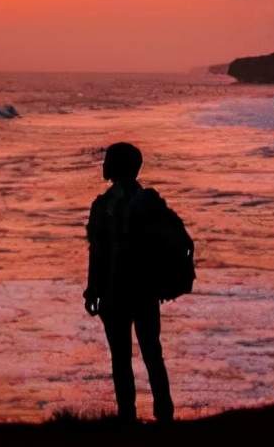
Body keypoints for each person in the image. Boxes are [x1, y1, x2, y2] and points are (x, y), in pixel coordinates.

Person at [83, 142, 175, 424]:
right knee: (151, 353)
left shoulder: (103, 205)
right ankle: (163, 415)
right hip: (144, 290)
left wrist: (92, 289)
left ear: (118, 167)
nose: (104, 164)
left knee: (122, 357)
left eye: (108, 160)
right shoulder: (148, 201)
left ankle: (128, 417)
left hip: (115, 291)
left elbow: (97, 252)